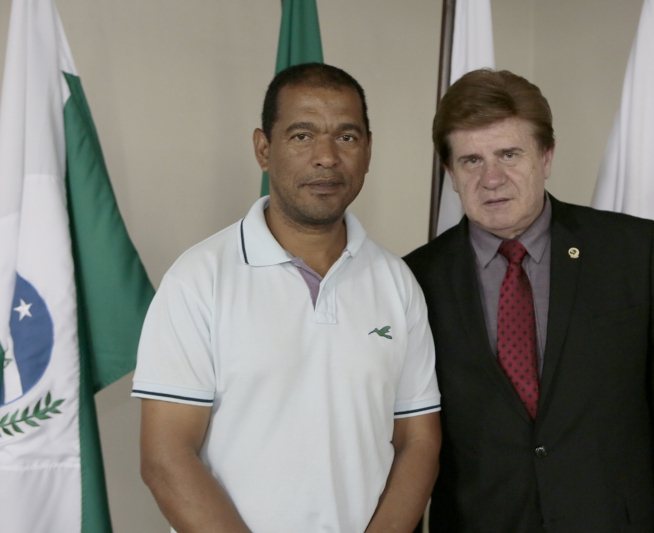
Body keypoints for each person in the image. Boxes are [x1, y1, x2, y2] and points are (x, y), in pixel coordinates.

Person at [404, 69, 654, 533]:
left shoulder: (633, 251)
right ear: (451, 173)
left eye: (509, 154)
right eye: (471, 160)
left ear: (546, 156)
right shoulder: (414, 280)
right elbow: (406, 442)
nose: (492, 179)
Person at [132, 63, 441, 533]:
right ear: (264, 149)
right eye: (302, 136)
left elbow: (419, 442)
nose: (327, 157)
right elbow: (166, 458)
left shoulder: (396, 282)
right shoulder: (198, 279)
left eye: (347, 137)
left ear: (368, 150)